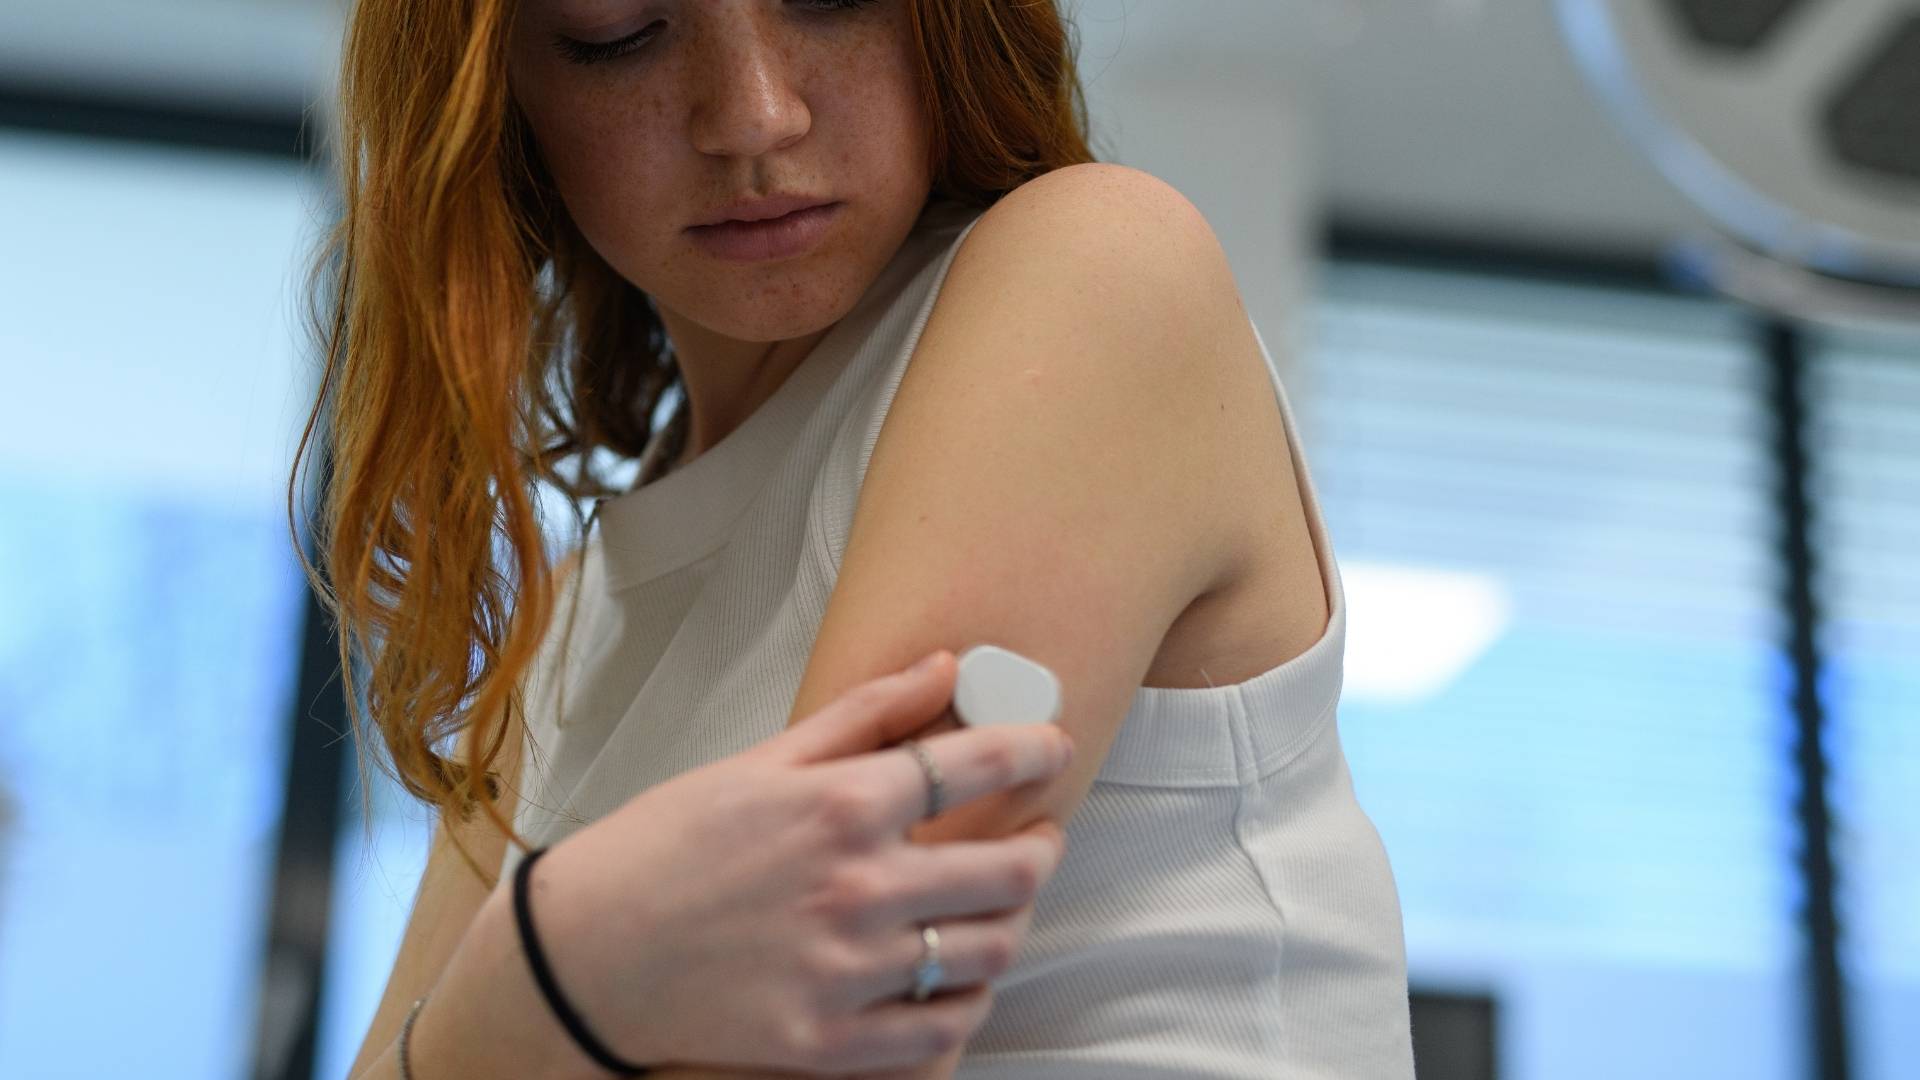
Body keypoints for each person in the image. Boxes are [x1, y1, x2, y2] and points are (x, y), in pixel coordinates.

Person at [299, 1, 1416, 1078]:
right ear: (499, 95)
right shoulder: (567, 629)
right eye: (617, 33)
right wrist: (538, 989)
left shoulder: (1100, 271)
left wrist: (528, 996)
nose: (754, 115)